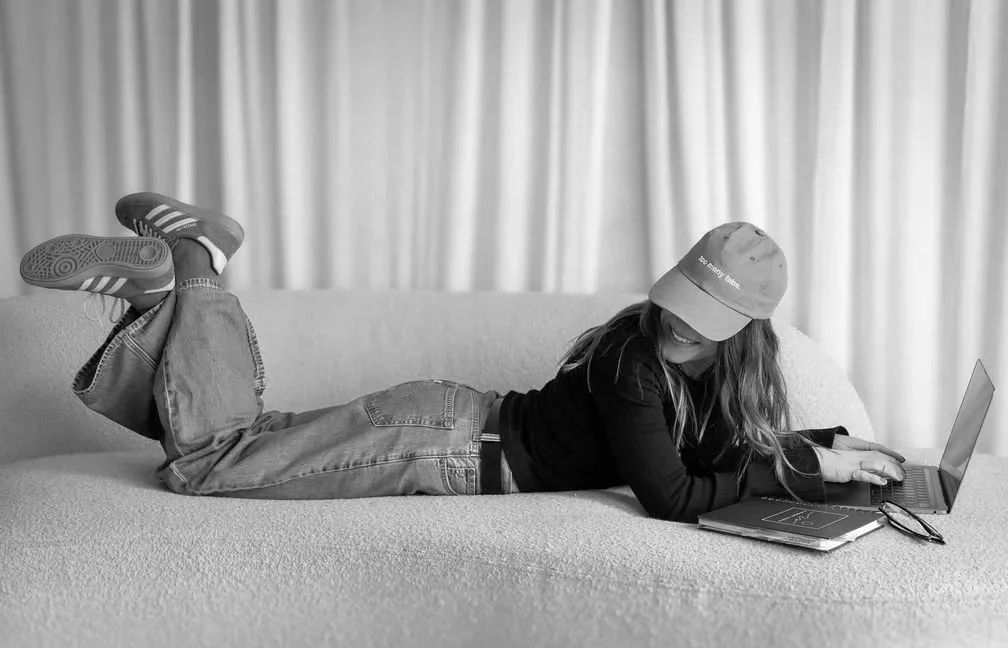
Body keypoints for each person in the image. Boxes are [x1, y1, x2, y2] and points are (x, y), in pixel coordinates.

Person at [19, 193, 906, 522]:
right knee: (213, 463)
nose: (673, 324)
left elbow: (721, 452)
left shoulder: (716, 378)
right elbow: (671, 495)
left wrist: (828, 452)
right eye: (676, 301)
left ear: (745, 332)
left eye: (699, 318)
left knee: (238, 438)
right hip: (445, 446)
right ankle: (192, 280)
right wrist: (784, 470)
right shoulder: (633, 359)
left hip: (444, 423)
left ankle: (179, 281)